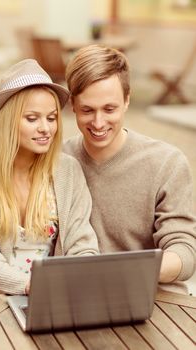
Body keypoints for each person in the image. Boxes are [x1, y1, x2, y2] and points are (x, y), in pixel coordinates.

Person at [0, 59, 98, 325]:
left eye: (52, 118)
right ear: (10, 121)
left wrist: (64, 285)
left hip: (48, 300)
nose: (45, 128)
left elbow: (84, 246)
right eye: (32, 118)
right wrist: (31, 285)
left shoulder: (68, 171)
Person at [63, 44, 196, 291]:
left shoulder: (167, 163)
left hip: (151, 297)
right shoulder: (59, 159)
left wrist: (127, 272)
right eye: (87, 110)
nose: (98, 122)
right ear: (72, 105)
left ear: (127, 99)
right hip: (80, 295)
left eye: (109, 109)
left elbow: (184, 252)